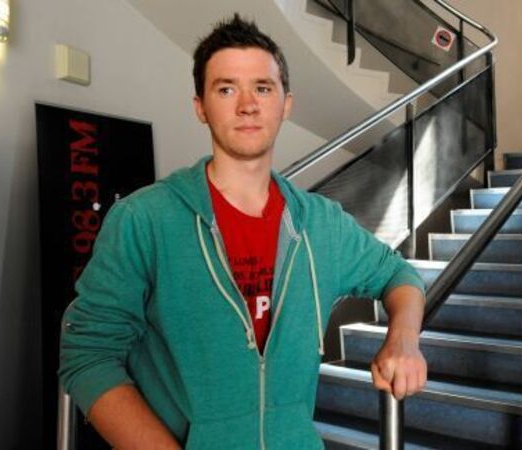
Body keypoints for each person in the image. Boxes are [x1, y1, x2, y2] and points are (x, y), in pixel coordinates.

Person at [58, 13, 427, 450]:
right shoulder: (145, 219)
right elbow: (88, 355)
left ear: (286, 104)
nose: (247, 105)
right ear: (201, 107)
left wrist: (404, 339)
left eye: (263, 88)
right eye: (226, 88)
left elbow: (399, 275)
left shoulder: (321, 223)